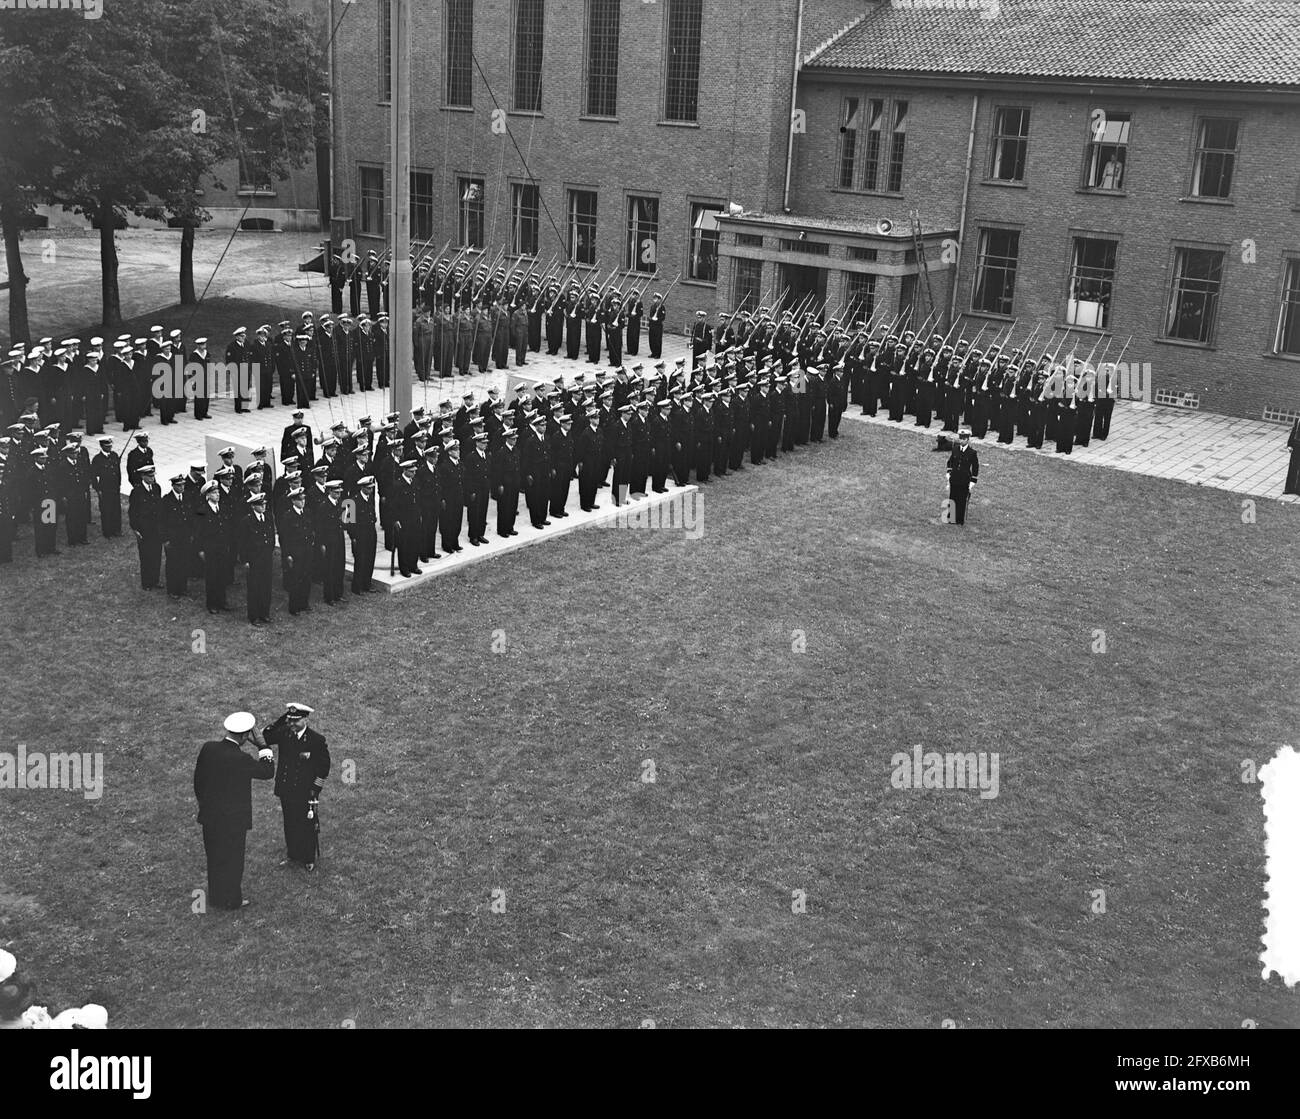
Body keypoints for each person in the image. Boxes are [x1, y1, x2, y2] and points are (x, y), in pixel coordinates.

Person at [193, 712, 275, 911]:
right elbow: (267, 771)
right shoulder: (241, 758)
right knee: (233, 861)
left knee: (214, 857)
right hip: (232, 821)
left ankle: (216, 897)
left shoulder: (208, 749)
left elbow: (198, 781)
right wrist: (263, 746)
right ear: (246, 736)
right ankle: (231, 900)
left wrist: (204, 804)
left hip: (210, 817)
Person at [265, 703, 330, 872]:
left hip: (306, 790)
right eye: (290, 720)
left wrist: (315, 790)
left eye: (296, 721)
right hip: (286, 788)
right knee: (290, 822)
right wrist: (281, 720)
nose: (292, 724)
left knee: (307, 824)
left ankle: (308, 858)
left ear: (305, 719)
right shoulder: (285, 734)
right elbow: (266, 736)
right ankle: (293, 854)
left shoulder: (316, 740)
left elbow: (324, 768)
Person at [128, 464, 163, 589]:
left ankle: (155, 580)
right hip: (145, 529)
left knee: (157, 555)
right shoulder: (137, 492)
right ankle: (147, 582)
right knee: (146, 556)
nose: (152, 478)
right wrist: (136, 529)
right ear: (143, 476)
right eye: (150, 476)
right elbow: (133, 512)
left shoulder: (157, 488)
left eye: (153, 476)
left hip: (157, 528)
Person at [945, 429, 979, 526]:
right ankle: (951, 518)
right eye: (960, 438)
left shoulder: (972, 453)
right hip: (954, 478)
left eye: (964, 439)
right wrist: (949, 472)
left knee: (961, 499)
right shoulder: (955, 449)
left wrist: (973, 481)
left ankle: (959, 520)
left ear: (968, 440)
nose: (961, 440)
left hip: (964, 480)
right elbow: (950, 462)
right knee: (953, 497)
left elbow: (975, 467)